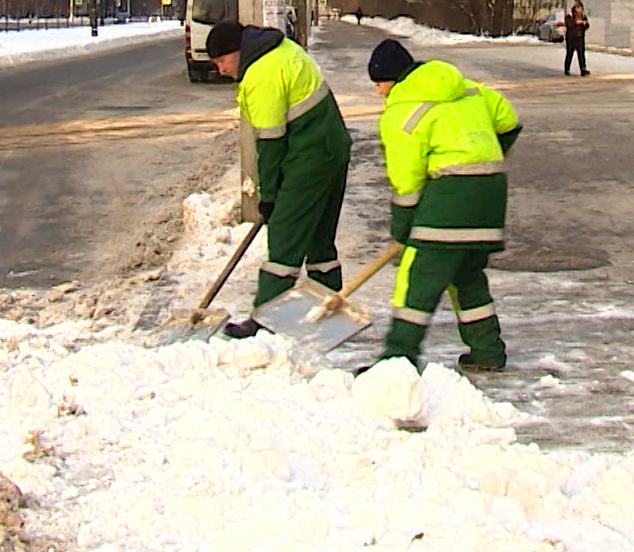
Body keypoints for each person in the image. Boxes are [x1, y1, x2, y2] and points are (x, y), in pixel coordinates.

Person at [365, 38, 521, 371]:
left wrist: (403, 227)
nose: (378, 92)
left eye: (379, 83)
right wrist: (489, 156)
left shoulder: (401, 112)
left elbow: (407, 182)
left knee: (418, 278)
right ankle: (488, 352)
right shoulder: (467, 89)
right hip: (491, 193)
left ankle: (397, 361)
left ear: (393, 78)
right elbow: (508, 120)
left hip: (451, 196)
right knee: (466, 274)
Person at [207, 20, 352, 337]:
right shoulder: (276, 50)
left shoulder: (262, 75)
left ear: (237, 52)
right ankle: (327, 307)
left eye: (221, 61)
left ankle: (265, 320)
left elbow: (270, 145)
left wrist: (269, 196)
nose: (219, 70)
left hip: (311, 155)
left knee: (285, 237)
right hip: (330, 147)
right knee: (318, 237)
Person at [563, 1, 590, 77]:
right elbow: (569, 25)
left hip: (580, 38)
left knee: (581, 55)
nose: (580, 9)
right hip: (571, 38)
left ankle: (583, 69)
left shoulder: (583, 16)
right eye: (578, 8)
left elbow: (587, 25)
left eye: (581, 8)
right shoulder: (569, 16)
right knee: (569, 54)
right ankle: (567, 69)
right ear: (575, 9)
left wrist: (585, 24)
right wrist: (576, 23)